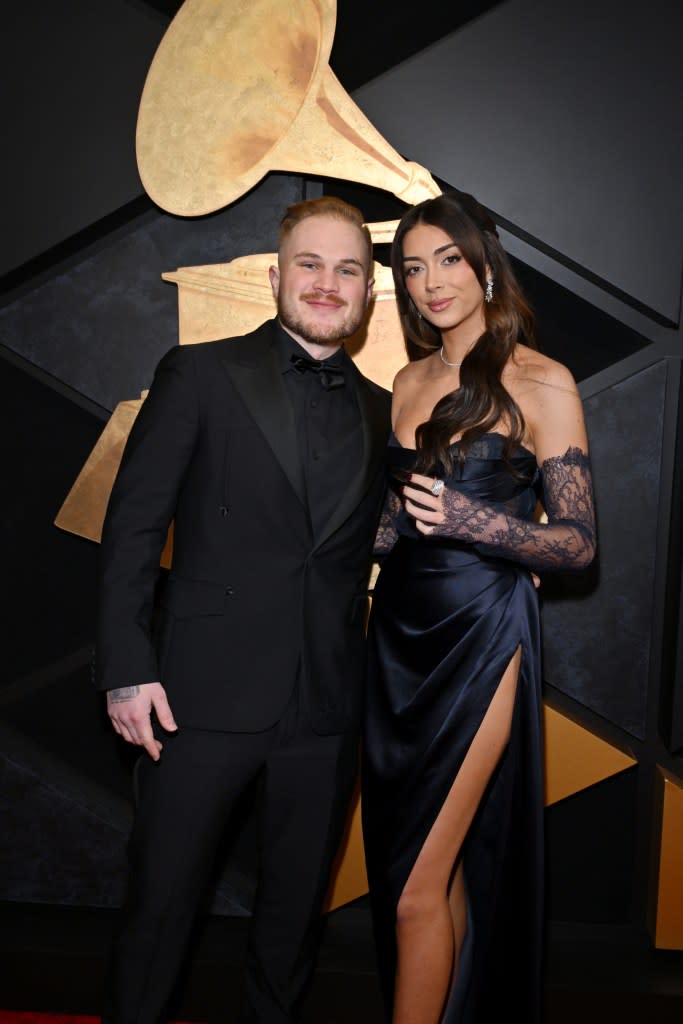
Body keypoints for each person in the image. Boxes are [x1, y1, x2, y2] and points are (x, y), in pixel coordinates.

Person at [94, 195, 392, 1024]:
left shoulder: (377, 408)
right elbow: (132, 529)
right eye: (310, 263)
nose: (327, 284)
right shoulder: (200, 372)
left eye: (348, 270)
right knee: (159, 912)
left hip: (325, 709)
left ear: (368, 293)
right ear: (274, 276)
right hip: (195, 699)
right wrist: (125, 671)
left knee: (292, 924)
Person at [361, 190, 596, 1024]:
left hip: (483, 636)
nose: (431, 282)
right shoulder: (406, 378)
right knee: (428, 870)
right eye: (413, 267)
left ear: (485, 264)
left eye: (448, 260)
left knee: (416, 889)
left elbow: (576, 543)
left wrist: (484, 526)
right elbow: (392, 523)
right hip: (395, 636)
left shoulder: (540, 379)